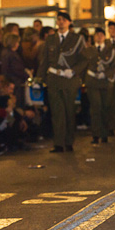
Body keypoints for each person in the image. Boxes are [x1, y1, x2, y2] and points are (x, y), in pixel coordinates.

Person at [36, 11, 87, 153]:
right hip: (54, 79)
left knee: (69, 112)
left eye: (64, 20)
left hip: (69, 80)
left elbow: (84, 59)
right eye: (59, 19)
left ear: (69, 22)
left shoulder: (77, 39)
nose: (61, 22)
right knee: (57, 112)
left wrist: (74, 71)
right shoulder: (51, 39)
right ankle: (58, 143)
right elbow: (45, 60)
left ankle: (69, 141)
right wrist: (39, 78)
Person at [83, 27, 114, 145]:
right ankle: (96, 135)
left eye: (101, 35)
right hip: (92, 82)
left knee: (105, 108)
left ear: (104, 37)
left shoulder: (110, 51)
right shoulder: (89, 50)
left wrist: (105, 74)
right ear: (94, 37)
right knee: (96, 107)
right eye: (97, 35)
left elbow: (113, 66)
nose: (99, 37)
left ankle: (104, 134)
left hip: (105, 83)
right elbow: (83, 64)